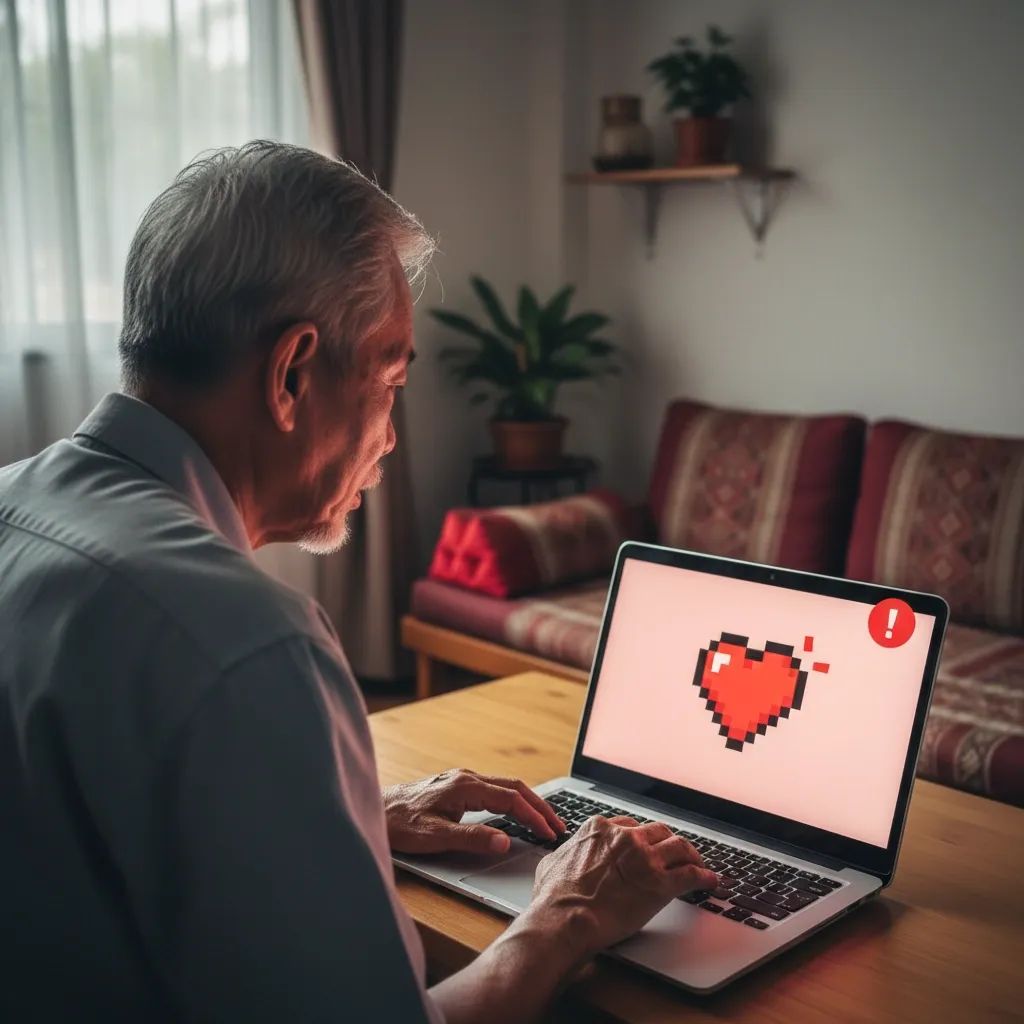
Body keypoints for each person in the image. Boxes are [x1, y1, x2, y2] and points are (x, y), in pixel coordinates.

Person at [0, 141, 717, 1023]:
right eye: (390, 377)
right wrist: (565, 915)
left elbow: (79, 836)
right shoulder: (248, 643)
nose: (393, 436)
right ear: (293, 371)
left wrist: (351, 816)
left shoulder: (12, 504)